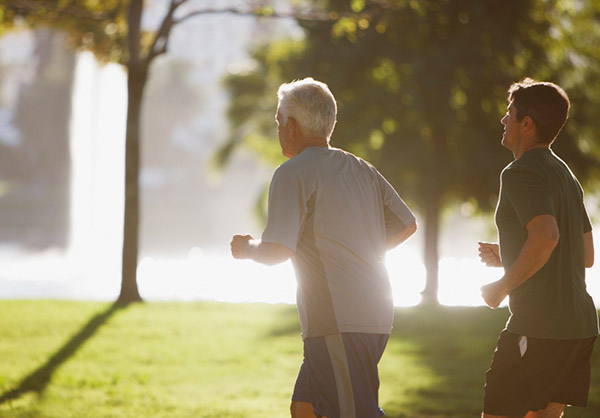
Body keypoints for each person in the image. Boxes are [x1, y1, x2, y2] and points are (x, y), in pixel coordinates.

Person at [230, 77, 417, 418]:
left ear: (294, 126)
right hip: (370, 316)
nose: (278, 130)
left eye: (278, 123)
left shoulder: (292, 173)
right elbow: (407, 224)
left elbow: (276, 251)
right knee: (305, 408)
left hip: (339, 321)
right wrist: (361, 251)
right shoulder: (363, 169)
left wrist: (246, 249)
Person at [478, 78, 598, 418]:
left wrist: (501, 287)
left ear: (526, 124)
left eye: (509, 113)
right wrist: (509, 257)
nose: (503, 121)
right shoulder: (565, 175)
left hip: (540, 327)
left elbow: (546, 237)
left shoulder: (520, 171)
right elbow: (584, 255)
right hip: (580, 328)